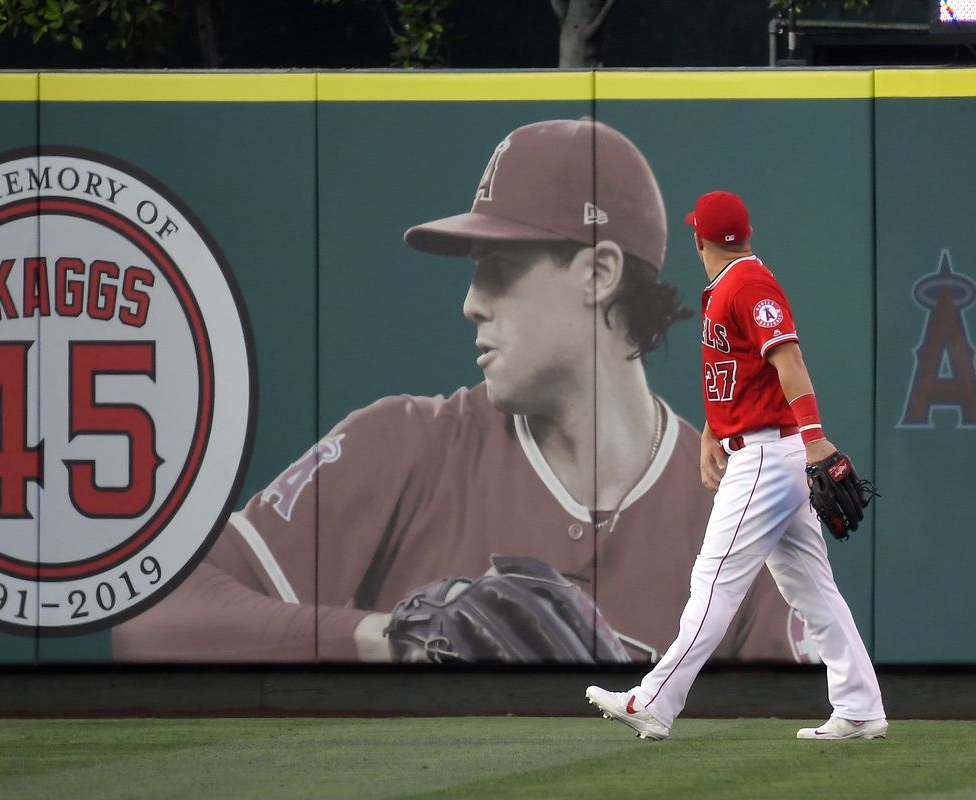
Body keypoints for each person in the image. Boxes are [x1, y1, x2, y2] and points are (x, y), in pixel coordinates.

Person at [112, 121, 803, 664]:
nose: (472, 303)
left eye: (499, 268)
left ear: (598, 272)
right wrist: (391, 640)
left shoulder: (737, 506)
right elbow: (152, 616)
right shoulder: (402, 447)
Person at [586, 190, 887, 739]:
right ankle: (861, 706)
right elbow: (744, 371)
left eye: (695, 233)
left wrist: (817, 441)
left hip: (770, 459)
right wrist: (712, 431)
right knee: (812, 590)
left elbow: (788, 361)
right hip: (763, 448)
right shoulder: (732, 285)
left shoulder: (748, 283)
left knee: (714, 581)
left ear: (700, 238)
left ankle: (652, 700)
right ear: (744, 233)